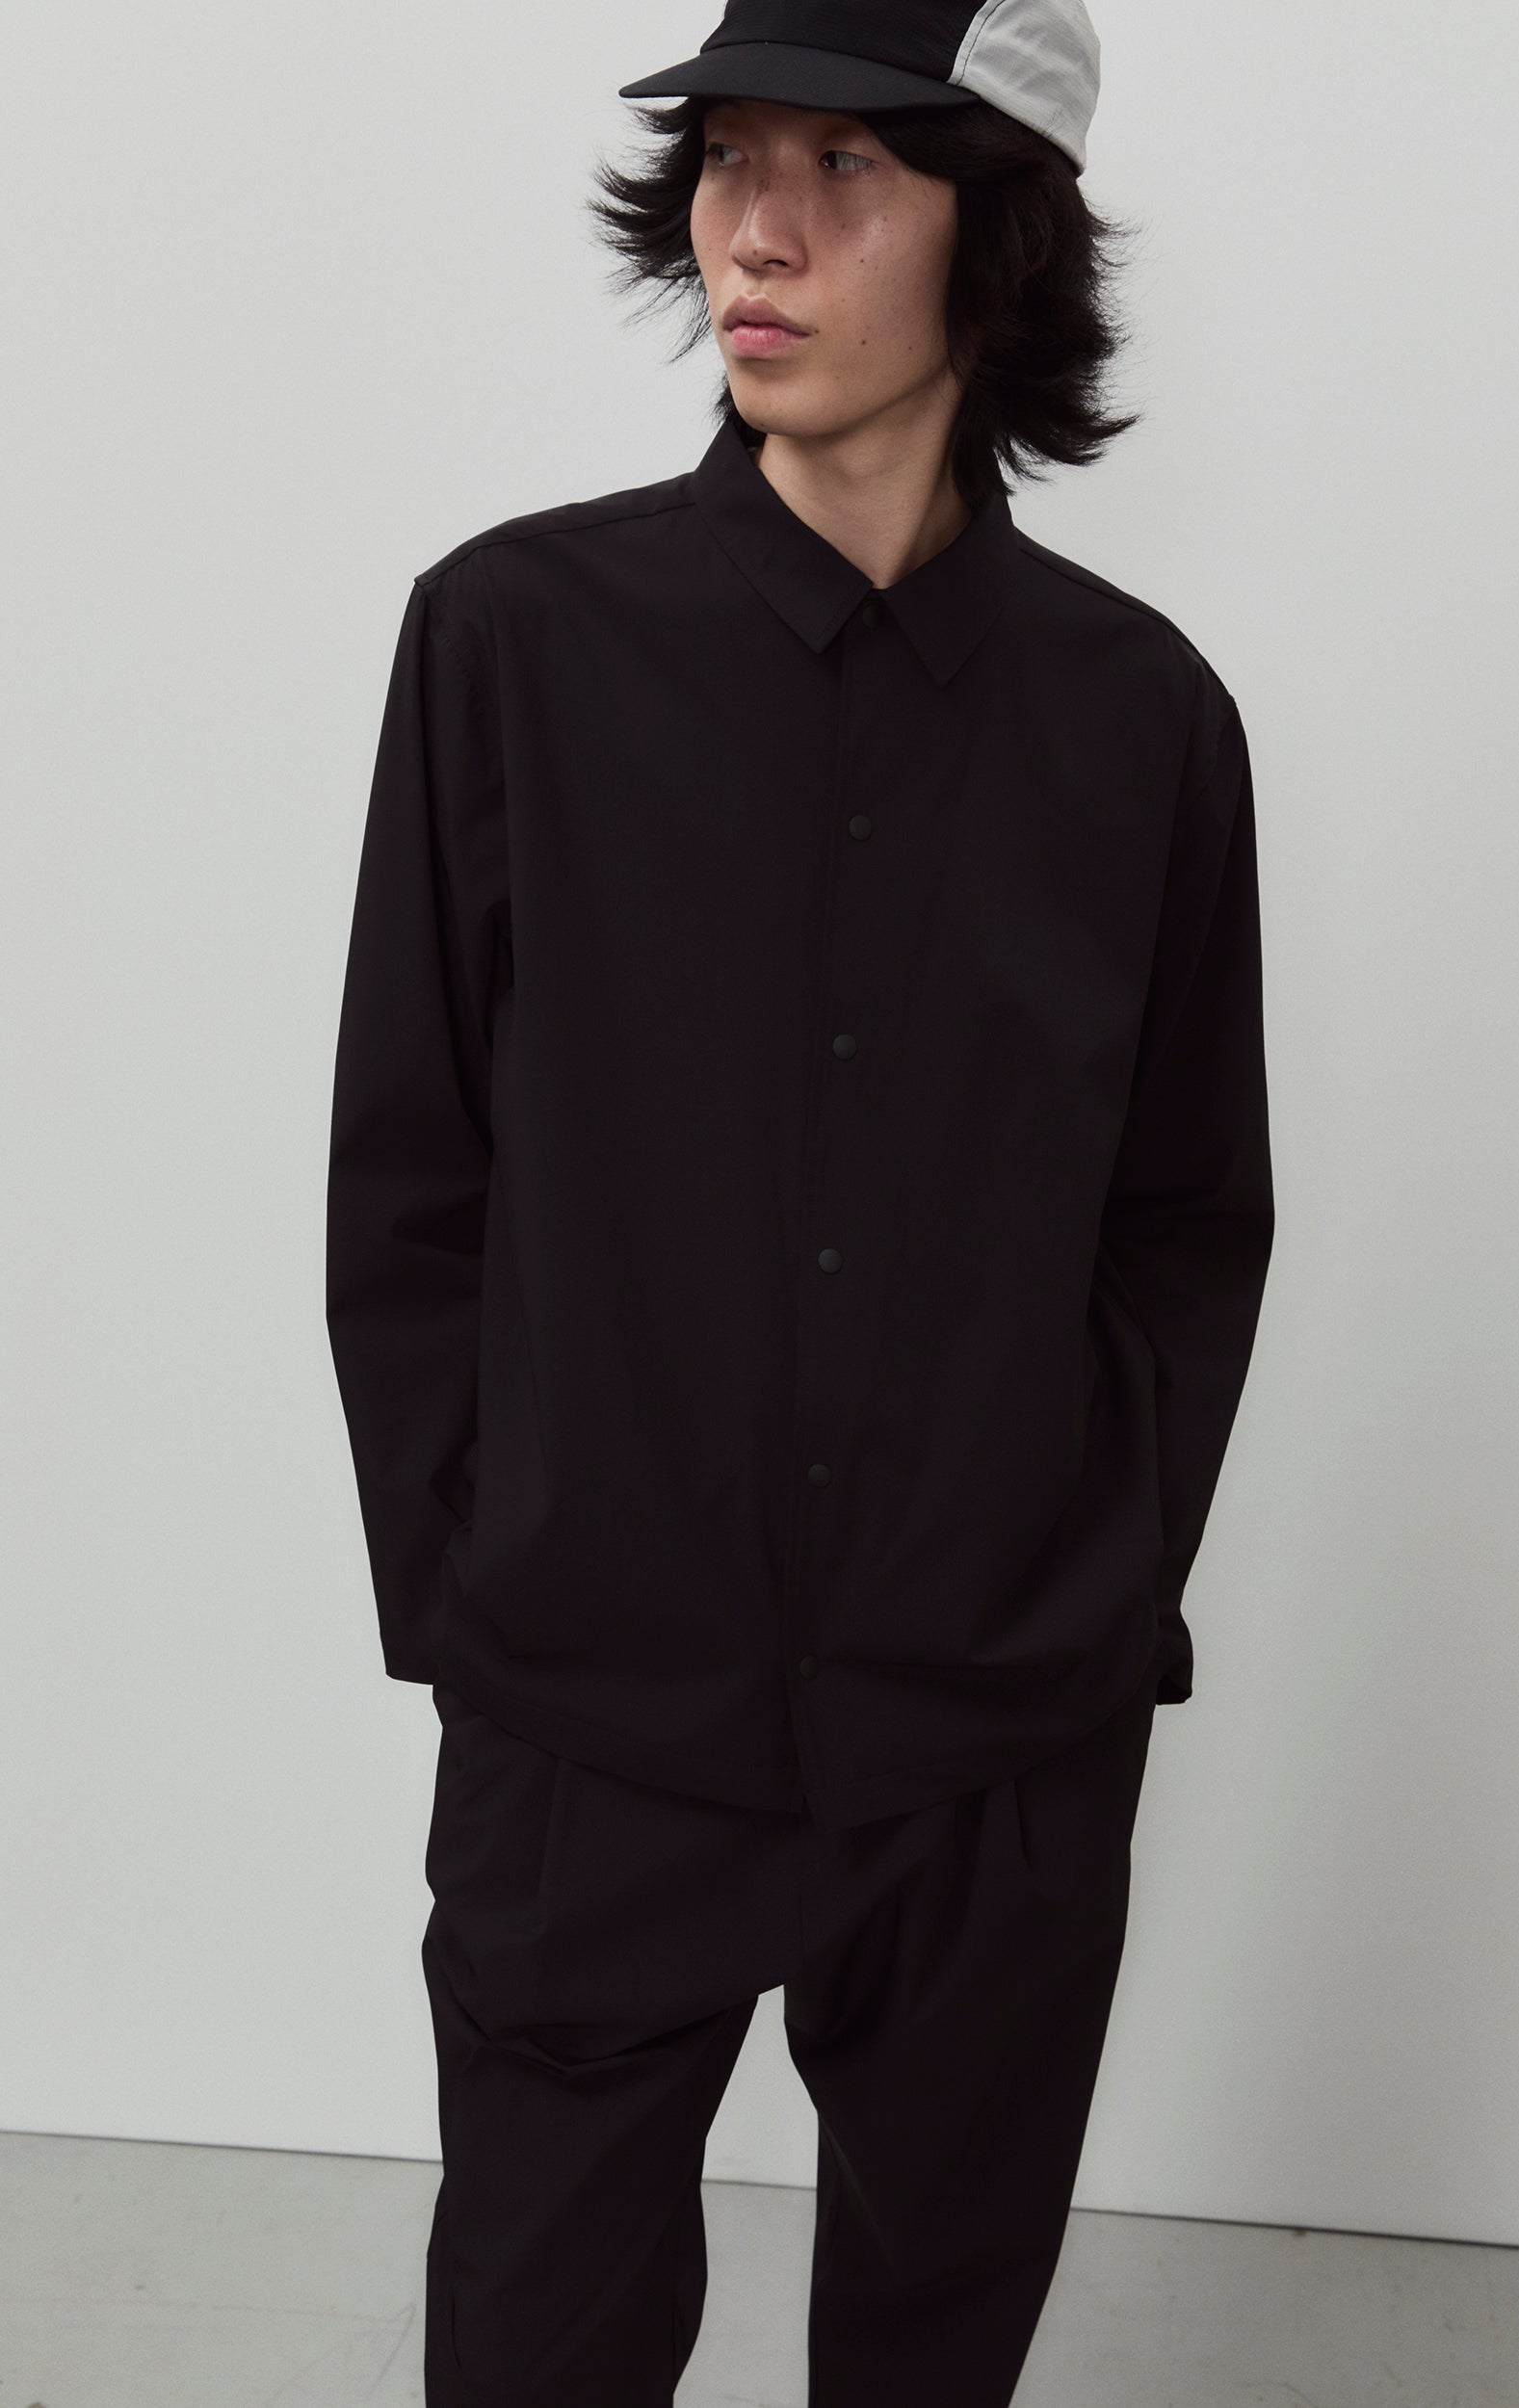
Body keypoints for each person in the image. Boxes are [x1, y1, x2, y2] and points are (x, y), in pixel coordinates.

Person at [324, 2, 1275, 2399]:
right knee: (534, 2342)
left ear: (1000, 237)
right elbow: (410, 1172)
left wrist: (1084, 1595)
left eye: (845, 169)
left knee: (933, 2357)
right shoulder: (513, 643)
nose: (752, 230)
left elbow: (1186, 1216)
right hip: (595, 1716)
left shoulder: (1146, 722)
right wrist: (487, 1593)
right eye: (731, 159)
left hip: (993, 1738)